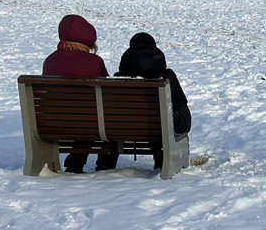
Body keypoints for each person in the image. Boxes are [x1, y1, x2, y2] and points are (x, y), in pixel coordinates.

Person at [42, 14, 118, 173]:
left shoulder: (49, 60)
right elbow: (108, 93)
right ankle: (105, 164)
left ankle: (75, 163)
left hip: (54, 123)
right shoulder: (93, 62)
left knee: (82, 116)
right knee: (103, 118)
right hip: (87, 123)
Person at [116, 32, 192, 171]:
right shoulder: (167, 78)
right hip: (159, 127)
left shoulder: (118, 79)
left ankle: (105, 164)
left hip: (123, 126)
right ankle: (160, 158)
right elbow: (181, 110)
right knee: (159, 120)